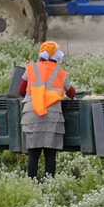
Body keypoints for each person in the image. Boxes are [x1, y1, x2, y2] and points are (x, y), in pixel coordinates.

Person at [18, 40, 75, 178]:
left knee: (33, 154)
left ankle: (32, 183)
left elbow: (20, 90)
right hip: (52, 116)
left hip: (31, 115)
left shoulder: (31, 68)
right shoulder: (59, 72)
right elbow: (72, 93)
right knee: (50, 155)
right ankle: (49, 184)